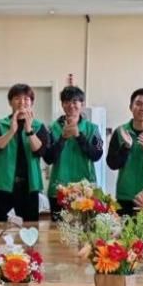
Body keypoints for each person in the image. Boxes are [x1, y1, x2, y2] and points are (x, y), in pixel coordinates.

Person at [0, 83, 50, 222]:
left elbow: (40, 151)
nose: (22, 102)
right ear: (10, 102)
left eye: (26, 99)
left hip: (29, 186)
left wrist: (29, 130)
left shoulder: (39, 126)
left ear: (31, 102)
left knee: (30, 227)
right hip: (2, 185)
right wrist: (11, 131)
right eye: (17, 98)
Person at [44, 86, 104, 218]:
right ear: (62, 104)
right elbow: (48, 158)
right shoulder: (52, 128)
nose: (71, 105)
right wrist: (63, 138)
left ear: (82, 104)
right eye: (67, 101)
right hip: (59, 190)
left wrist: (79, 136)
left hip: (86, 190)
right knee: (58, 229)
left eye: (75, 101)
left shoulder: (93, 129)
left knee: (86, 228)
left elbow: (97, 155)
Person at [107, 88, 143, 215]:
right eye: (138, 104)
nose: (142, 108)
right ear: (131, 107)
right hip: (125, 195)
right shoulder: (120, 131)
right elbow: (112, 164)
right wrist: (126, 148)